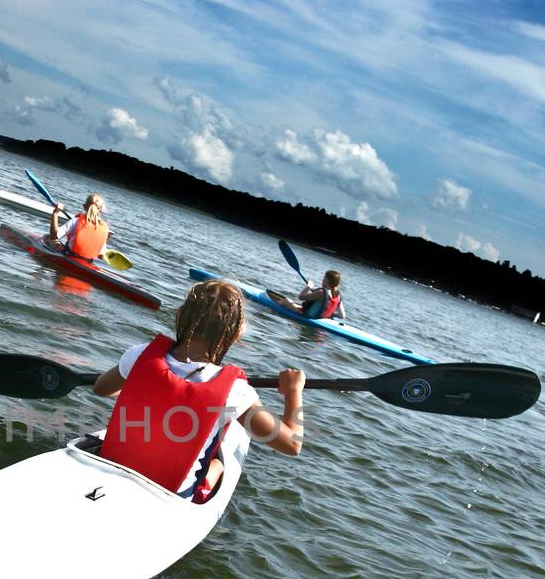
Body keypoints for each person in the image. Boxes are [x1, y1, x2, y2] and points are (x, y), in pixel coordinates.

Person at [90, 278, 305, 501]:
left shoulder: (141, 354)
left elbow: (101, 389)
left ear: (180, 316)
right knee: (220, 457)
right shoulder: (236, 392)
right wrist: (293, 391)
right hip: (172, 496)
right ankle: (216, 469)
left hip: (113, 471)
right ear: (236, 334)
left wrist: (140, 390)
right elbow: (292, 444)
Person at [46, 192, 111, 262]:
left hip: (70, 256)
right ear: (101, 210)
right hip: (88, 261)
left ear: (84, 206)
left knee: (49, 238)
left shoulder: (75, 221)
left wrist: (55, 213)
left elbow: (54, 236)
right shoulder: (104, 229)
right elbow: (100, 256)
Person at [276, 270, 342, 320]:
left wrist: (309, 286)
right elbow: (341, 315)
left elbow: (300, 297)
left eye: (324, 278)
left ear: (326, 280)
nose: (322, 280)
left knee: (286, 300)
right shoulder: (338, 295)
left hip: (308, 316)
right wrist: (329, 314)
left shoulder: (321, 292)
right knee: (297, 305)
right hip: (323, 319)